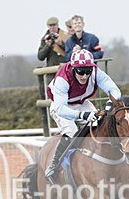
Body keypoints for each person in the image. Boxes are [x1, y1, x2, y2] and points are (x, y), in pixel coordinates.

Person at [44, 49, 121, 184]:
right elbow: (61, 109)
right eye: (80, 71)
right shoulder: (63, 79)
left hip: (81, 102)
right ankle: (53, 166)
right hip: (61, 106)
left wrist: (109, 105)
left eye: (88, 71)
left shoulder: (96, 72)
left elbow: (115, 90)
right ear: (73, 68)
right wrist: (83, 115)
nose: (84, 75)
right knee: (72, 132)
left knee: (99, 123)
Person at [36, 16, 69, 99]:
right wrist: (48, 45)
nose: (52, 27)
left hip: (65, 71)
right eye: (50, 25)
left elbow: (71, 52)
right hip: (51, 74)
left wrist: (61, 44)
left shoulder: (65, 36)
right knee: (53, 97)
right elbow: (40, 57)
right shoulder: (45, 39)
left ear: (58, 25)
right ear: (48, 26)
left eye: (54, 25)